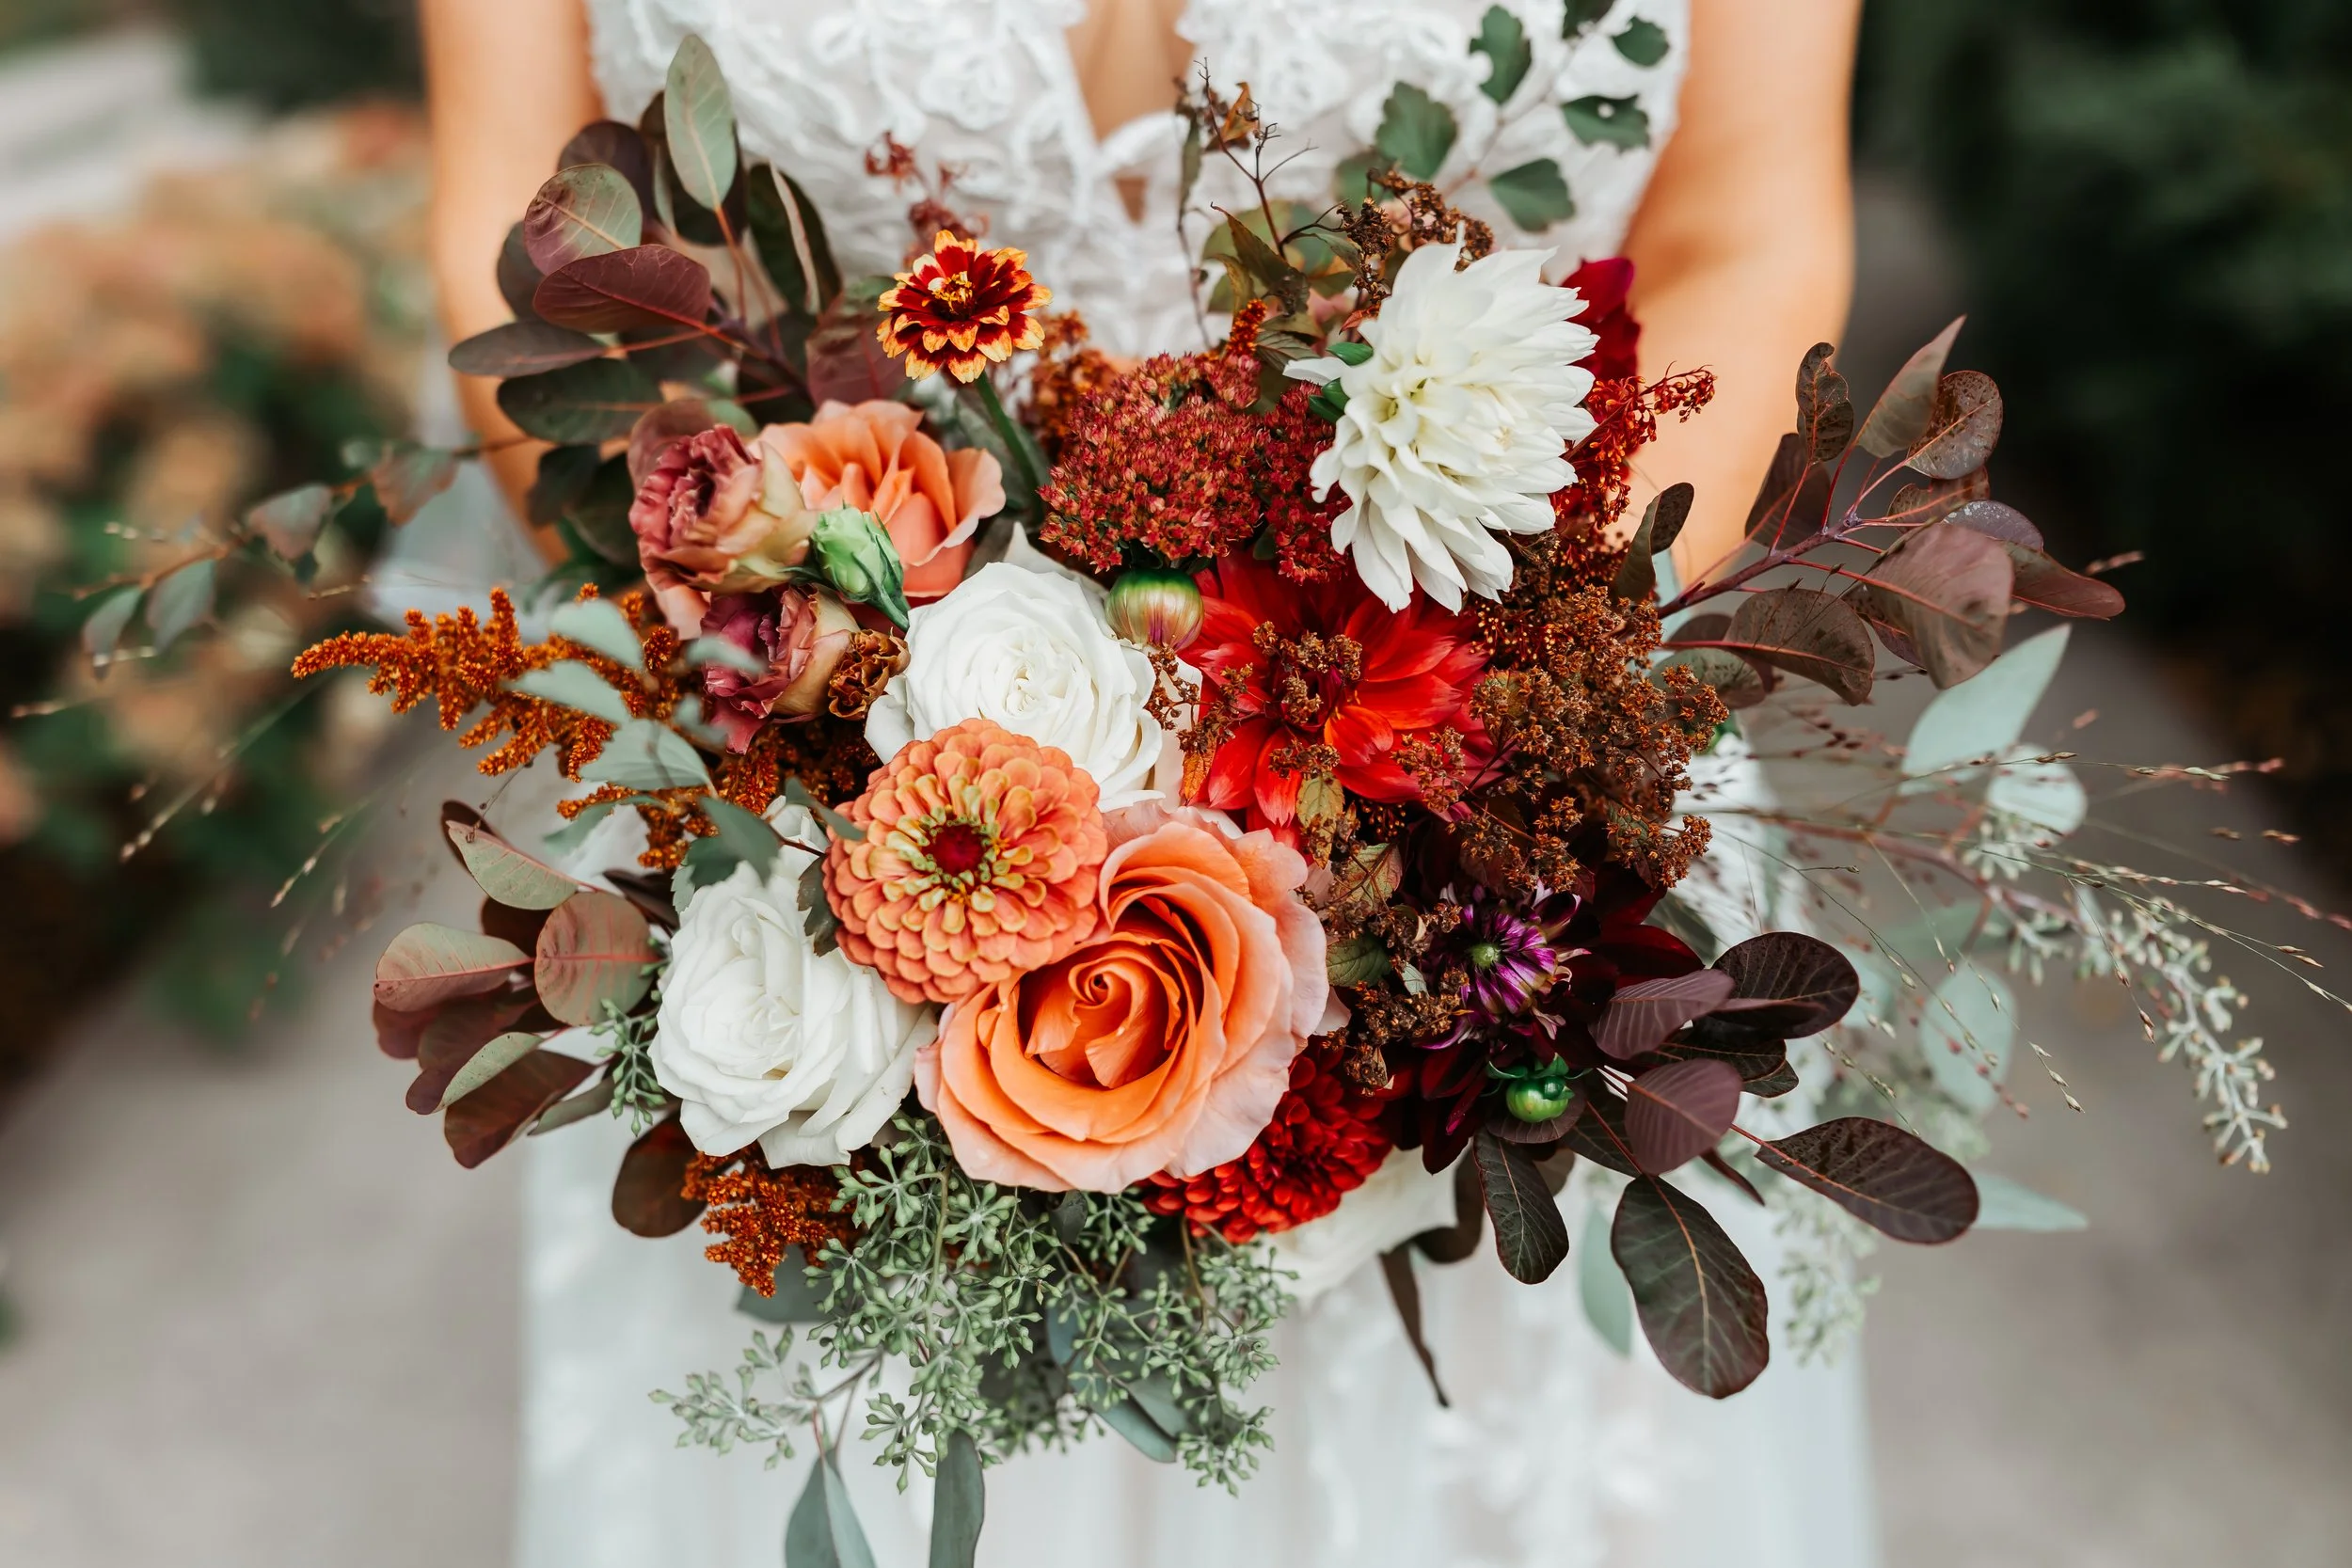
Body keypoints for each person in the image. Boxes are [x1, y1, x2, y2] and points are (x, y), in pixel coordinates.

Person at [416, 4, 1870, 1564]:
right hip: (808, 803)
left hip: (1497, 822)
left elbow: (1745, 226)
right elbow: (522, 233)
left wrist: (1484, 744)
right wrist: (813, 697)